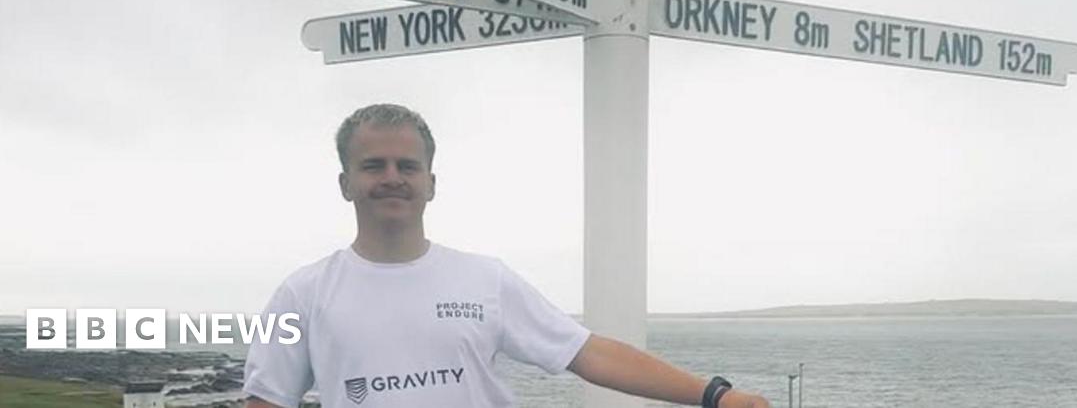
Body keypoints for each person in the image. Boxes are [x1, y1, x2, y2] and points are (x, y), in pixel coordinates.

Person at [244, 103, 770, 408]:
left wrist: (715, 396)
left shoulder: (484, 279)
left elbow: (589, 354)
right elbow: (266, 400)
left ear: (431, 183)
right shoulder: (303, 293)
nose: (391, 178)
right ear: (345, 183)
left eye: (407, 165)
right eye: (373, 165)